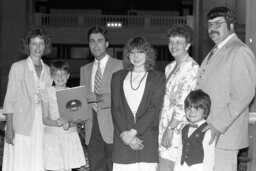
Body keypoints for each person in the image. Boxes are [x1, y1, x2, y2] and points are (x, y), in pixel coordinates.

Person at [197, 7, 256, 171]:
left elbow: (243, 95)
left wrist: (217, 126)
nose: (212, 29)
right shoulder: (215, 51)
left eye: (218, 23)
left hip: (224, 135)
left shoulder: (239, 50)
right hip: (208, 132)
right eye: (209, 24)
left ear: (231, 25)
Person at [2, 26, 53, 171]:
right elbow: (10, 99)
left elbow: (49, 99)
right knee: (21, 162)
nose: (37, 47)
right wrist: (10, 127)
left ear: (46, 46)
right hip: (20, 124)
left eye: (41, 43)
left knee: (39, 162)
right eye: (34, 43)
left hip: (42, 123)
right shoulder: (18, 67)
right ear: (28, 45)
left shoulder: (48, 70)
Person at [111, 36, 166, 171]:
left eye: (140, 52)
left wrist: (133, 133)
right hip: (123, 139)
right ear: (127, 55)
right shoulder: (117, 77)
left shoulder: (158, 77)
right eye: (132, 52)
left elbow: (154, 109)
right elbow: (115, 108)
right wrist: (127, 135)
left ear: (148, 54)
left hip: (146, 140)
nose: (136, 56)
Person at [80, 26, 123, 171]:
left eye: (100, 40)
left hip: (113, 127)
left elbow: (123, 97)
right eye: (92, 41)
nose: (95, 44)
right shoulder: (84, 70)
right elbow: (82, 99)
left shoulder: (120, 66)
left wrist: (101, 97)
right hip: (92, 128)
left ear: (107, 43)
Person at [158, 24, 199, 171]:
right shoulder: (169, 67)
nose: (174, 46)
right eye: (171, 42)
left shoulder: (192, 67)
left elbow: (184, 104)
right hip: (164, 127)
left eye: (179, 42)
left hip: (177, 131)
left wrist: (170, 130)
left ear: (188, 45)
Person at [41, 61, 86, 171]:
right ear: (51, 76)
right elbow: (45, 119)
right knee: (55, 167)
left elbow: (78, 118)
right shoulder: (47, 93)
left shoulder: (74, 93)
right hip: (53, 136)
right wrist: (57, 123)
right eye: (56, 74)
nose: (60, 77)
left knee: (68, 167)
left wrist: (70, 123)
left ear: (68, 76)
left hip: (69, 136)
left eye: (63, 74)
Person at [174, 89, 215, 171]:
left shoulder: (208, 131)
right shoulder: (184, 128)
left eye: (196, 109)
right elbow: (180, 151)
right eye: (189, 108)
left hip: (199, 168)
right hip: (182, 167)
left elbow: (209, 157)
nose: (191, 112)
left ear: (205, 112)